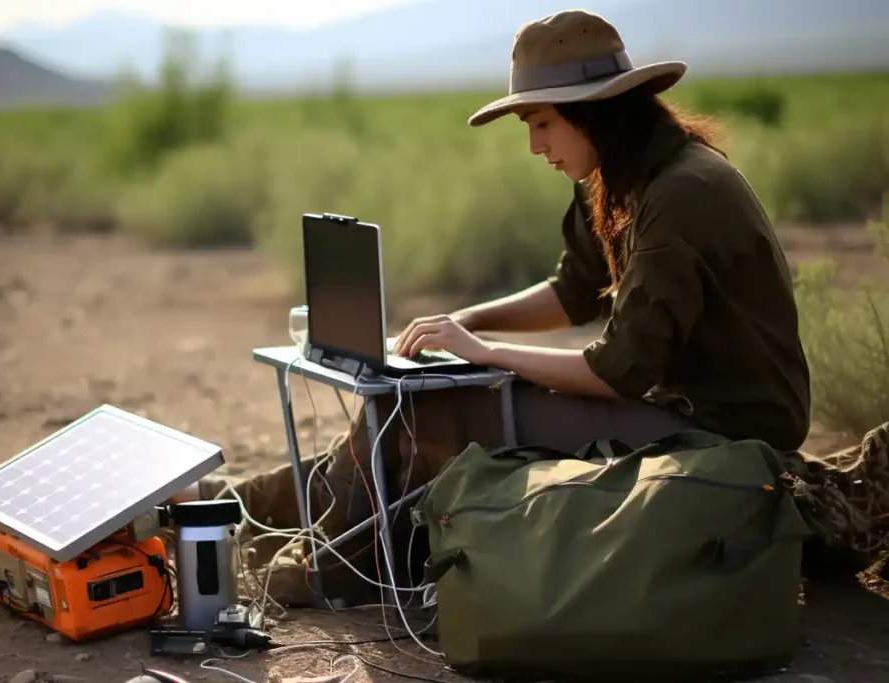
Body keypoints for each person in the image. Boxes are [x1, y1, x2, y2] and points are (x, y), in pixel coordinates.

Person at [177, 9, 812, 606]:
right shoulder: (625, 174)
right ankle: (245, 508)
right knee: (405, 403)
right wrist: (469, 323)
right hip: (666, 400)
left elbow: (616, 369)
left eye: (541, 123)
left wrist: (481, 352)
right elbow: (573, 290)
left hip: (724, 428)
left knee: (433, 408)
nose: (536, 146)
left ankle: (332, 563)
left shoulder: (682, 193)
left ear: (591, 111)